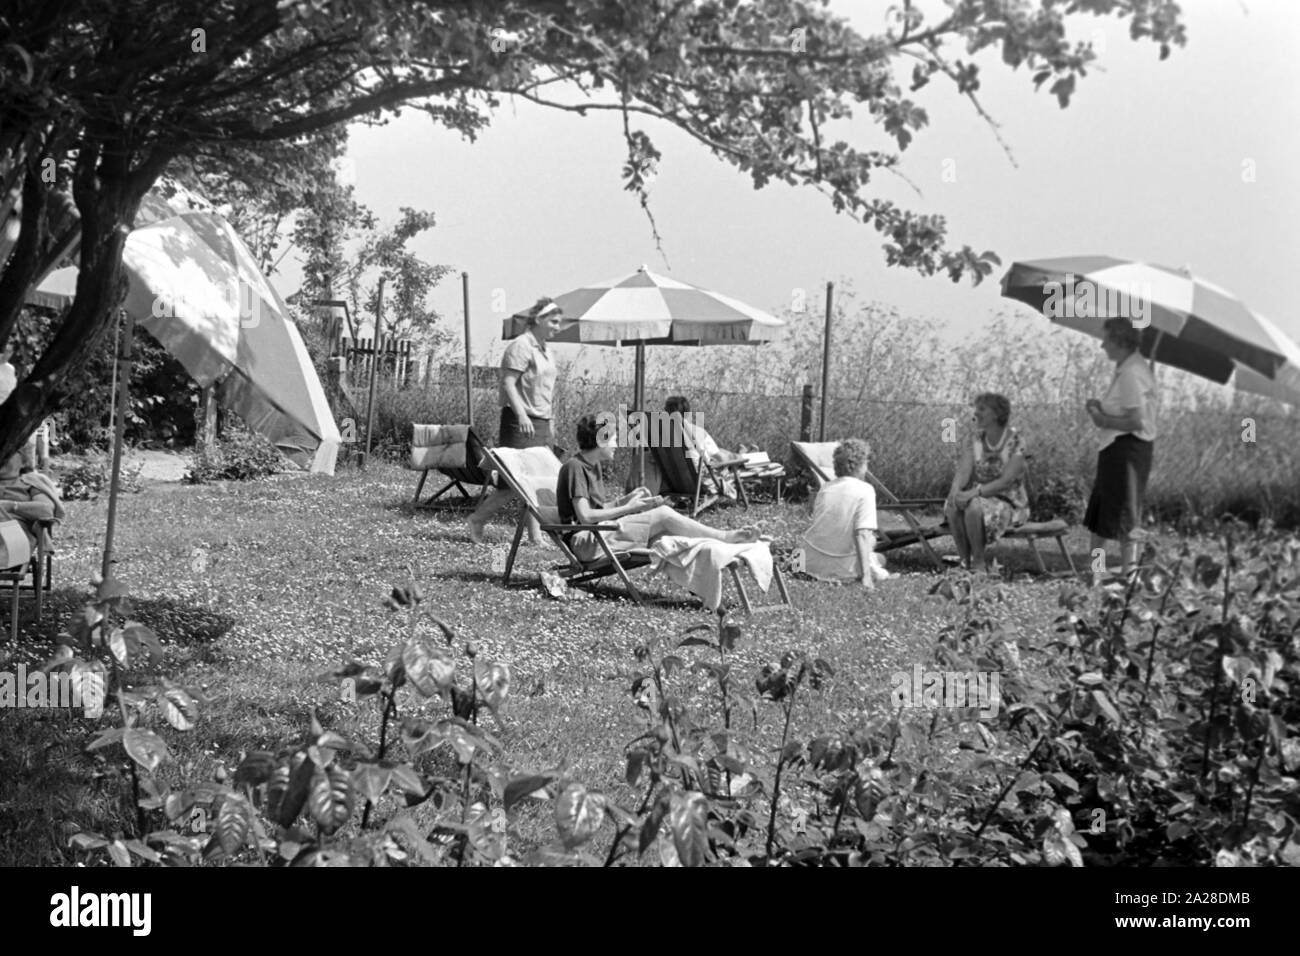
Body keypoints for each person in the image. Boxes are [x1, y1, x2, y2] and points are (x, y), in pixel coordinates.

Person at [557, 413, 760, 562]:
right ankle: (725, 537)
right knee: (663, 514)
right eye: (613, 439)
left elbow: (597, 509)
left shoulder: (593, 466)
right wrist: (629, 508)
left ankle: (712, 570)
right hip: (585, 542)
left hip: (600, 534)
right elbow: (585, 517)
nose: (617, 444)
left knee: (667, 540)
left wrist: (626, 500)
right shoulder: (575, 467)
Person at [468, 297, 564, 544]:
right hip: (521, 421)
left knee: (536, 481)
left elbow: (547, 390)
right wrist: (521, 415)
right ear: (539, 319)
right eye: (554, 322)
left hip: (541, 421)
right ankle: (477, 519)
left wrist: (551, 420)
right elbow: (508, 382)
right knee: (514, 482)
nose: (558, 327)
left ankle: (535, 535)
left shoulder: (546, 350)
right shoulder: (521, 346)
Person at [1083, 317, 1158, 581]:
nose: (1102, 345)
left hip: (1125, 450)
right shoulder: (1129, 368)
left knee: (1123, 513)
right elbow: (1126, 411)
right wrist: (1101, 408)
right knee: (1105, 512)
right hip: (1119, 448)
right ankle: (1099, 569)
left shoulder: (1131, 374)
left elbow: (1136, 421)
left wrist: (1102, 419)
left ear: (1119, 341)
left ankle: (1127, 573)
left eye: (1106, 340)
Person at [944, 392, 1030, 573]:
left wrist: (973, 493)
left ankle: (979, 563)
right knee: (952, 505)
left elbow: (1006, 481)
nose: (976, 413)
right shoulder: (975, 439)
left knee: (973, 506)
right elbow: (964, 470)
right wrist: (955, 491)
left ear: (997, 413)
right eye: (976, 408)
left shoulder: (1016, 441)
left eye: (982, 409)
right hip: (981, 496)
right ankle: (964, 563)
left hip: (1009, 501)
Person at [799, 438, 890, 588]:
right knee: (880, 556)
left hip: (808, 561)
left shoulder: (826, 488)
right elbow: (862, 534)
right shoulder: (865, 490)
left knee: (879, 557)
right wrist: (866, 576)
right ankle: (871, 571)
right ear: (860, 465)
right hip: (840, 567)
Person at [664, 394, 737, 499]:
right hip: (699, 482)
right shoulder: (698, 432)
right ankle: (741, 455)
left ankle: (740, 453)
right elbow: (720, 458)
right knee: (725, 457)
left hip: (671, 481)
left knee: (720, 454)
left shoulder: (659, 434)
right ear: (687, 413)